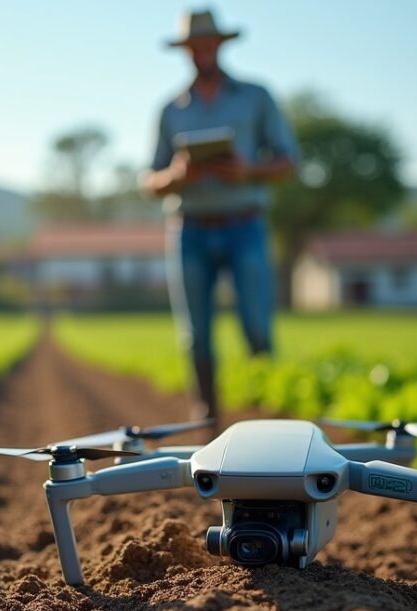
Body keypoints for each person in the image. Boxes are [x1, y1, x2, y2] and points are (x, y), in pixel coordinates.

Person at [143, 9, 299, 425]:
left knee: (258, 328)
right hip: (189, 230)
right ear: (186, 51)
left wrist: (248, 170)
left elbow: (288, 162)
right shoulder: (170, 110)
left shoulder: (256, 97)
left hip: (245, 225)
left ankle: (268, 417)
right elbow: (150, 180)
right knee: (195, 337)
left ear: (220, 45)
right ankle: (208, 420)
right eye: (195, 46)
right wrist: (177, 175)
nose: (202, 52)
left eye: (208, 44)